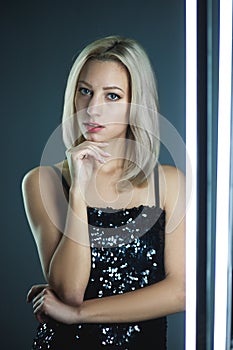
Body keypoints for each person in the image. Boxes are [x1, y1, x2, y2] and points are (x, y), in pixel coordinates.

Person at [22, 35, 185, 349]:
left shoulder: (169, 183)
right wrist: (80, 191)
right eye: (86, 91)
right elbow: (69, 291)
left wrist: (79, 314)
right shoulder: (43, 181)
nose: (93, 109)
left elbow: (181, 291)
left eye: (112, 96)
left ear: (136, 104)